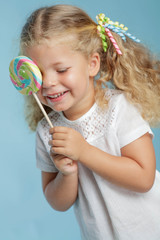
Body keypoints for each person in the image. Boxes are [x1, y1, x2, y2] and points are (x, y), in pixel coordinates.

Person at [20, 4, 160, 240]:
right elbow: (58, 202)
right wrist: (66, 174)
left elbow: (144, 178)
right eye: (40, 73)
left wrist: (84, 151)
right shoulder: (48, 131)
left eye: (62, 69)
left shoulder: (119, 108)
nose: (49, 83)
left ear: (92, 64)